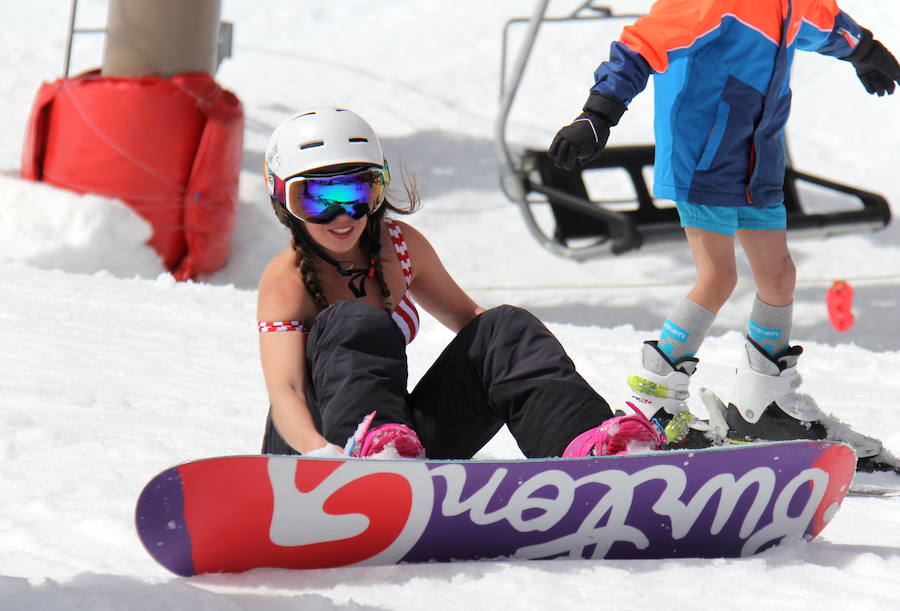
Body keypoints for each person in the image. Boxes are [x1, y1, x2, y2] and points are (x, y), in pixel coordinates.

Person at [548, 0, 898, 455]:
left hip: (758, 161)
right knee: (717, 278)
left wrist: (864, 51)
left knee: (778, 276)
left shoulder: (792, 5)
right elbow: (640, 46)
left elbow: (827, 24)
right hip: (702, 154)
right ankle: (651, 403)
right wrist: (598, 113)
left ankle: (763, 407)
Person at [257, 106, 664, 460]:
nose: (343, 216)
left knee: (505, 326)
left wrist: (516, 354)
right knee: (353, 320)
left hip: (397, 445)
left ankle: (589, 448)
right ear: (283, 202)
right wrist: (321, 455)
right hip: (309, 454)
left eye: (359, 193)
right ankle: (369, 456)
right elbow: (287, 392)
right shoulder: (285, 279)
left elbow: (473, 322)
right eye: (317, 200)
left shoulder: (398, 246)